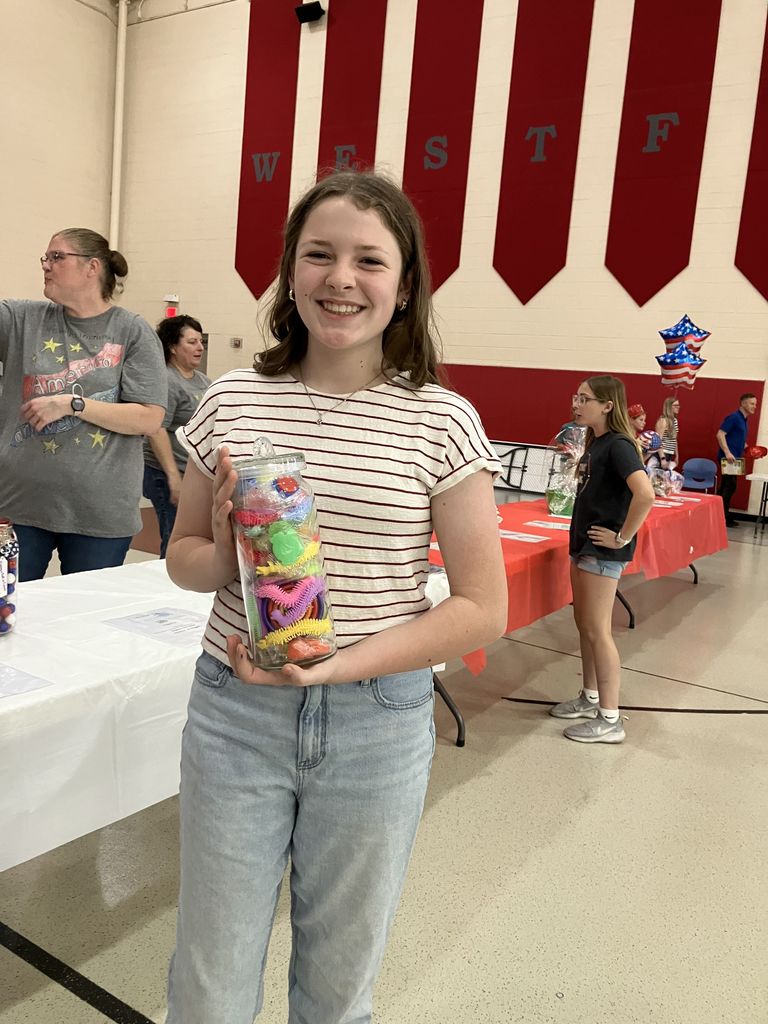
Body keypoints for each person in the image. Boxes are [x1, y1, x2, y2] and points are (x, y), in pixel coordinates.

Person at [164, 170, 508, 1024]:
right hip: (236, 713)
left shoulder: (442, 420)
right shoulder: (232, 399)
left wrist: (335, 668)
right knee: (209, 979)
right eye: (319, 254)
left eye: (369, 260)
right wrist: (228, 545)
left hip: (375, 723)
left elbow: (481, 608)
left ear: (405, 285)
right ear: (291, 272)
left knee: (338, 985)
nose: (341, 279)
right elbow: (184, 561)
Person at [0, 228, 167, 580]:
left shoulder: (131, 331)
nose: (46, 265)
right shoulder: (20, 319)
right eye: (46, 257)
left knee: (84, 612)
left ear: (92, 267)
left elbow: (149, 417)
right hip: (19, 504)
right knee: (10, 607)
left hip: (100, 514)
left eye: (57, 257)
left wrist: (73, 405)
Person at [549, 376, 654, 744]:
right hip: (584, 546)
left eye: (585, 399)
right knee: (585, 626)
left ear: (608, 405)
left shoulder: (620, 445)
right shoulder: (597, 442)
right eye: (576, 397)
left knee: (598, 630)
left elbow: (645, 494)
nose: (576, 404)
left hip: (602, 552)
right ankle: (590, 696)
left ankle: (610, 718)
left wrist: (622, 537)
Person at [142, 315, 210, 557]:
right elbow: (156, 429)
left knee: (194, 536)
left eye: (201, 342)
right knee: (174, 538)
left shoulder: (203, 381)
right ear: (172, 347)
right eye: (192, 342)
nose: (199, 347)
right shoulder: (167, 381)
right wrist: (174, 478)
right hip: (164, 473)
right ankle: (170, 575)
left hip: (190, 474)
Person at [716, 392, 758, 528]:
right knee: (730, 486)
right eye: (752, 403)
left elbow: (738, 439)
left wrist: (750, 450)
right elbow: (720, 434)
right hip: (728, 459)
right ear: (743, 404)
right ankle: (723, 517)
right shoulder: (734, 417)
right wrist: (727, 452)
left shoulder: (744, 420)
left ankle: (718, 513)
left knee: (726, 486)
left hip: (735, 459)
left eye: (755, 404)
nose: (754, 406)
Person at [628, 402, 662, 467]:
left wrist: (651, 451)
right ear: (631, 420)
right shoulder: (623, 435)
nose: (644, 423)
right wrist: (634, 442)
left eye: (644, 420)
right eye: (641, 420)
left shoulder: (641, 437)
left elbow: (640, 462)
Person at [655, 395, 680, 466]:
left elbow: (674, 439)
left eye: (678, 405)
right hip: (661, 454)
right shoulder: (663, 420)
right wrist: (662, 458)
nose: (678, 407)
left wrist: (677, 455)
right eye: (675, 405)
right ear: (669, 407)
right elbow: (658, 440)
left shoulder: (675, 421)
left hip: (670, 453)